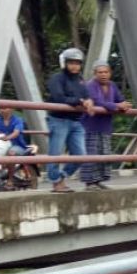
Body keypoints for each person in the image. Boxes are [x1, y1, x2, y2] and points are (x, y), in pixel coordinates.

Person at [44, 47, 92, 193]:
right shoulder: (57, 78)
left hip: (76, 121)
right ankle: (56, 183)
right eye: (71, 62)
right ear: (64, 63)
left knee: (81, 156)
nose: (74, 66)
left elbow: (86, 95)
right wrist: (80, 101)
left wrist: (89, 101)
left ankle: (62, 177)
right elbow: (59, 97)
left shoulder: (81, 81)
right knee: (55, 153)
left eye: (77, 63)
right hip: (59, 120)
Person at [80, 62, 131, 190]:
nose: (103, 75)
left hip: (105, 126)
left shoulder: (112, 85)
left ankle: (98, 181)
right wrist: (116, 106)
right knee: (91, 154)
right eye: (100, 72)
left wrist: (124, 104)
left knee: (104, 153)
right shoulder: (90, 85)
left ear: (110, 73)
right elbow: (97, 101)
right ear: (95, 74)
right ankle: (89, 183)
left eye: (106, 72)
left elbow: (119, 98)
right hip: (90, 125)